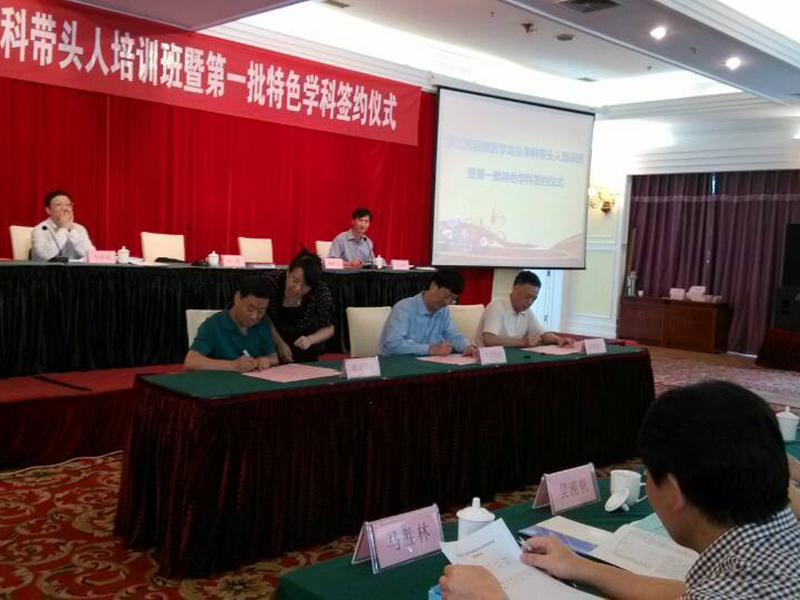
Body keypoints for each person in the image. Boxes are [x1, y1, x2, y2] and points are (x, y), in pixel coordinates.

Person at [440, 381, 800, 600]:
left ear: (675, 492)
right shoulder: (773, 537)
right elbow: (685, 593)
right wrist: (580, 568)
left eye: (649, 475)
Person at [184, 275, 278, 372]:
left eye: (261, 311)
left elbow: (274, 358)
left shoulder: (263, 322)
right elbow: (191, 362)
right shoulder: (213, 324)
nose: (254, 316)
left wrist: (266, 360)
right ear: (237, 298)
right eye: (250, 309)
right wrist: (234, 365)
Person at [379, 269, 477, 356]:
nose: (447, 302)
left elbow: (452, 335)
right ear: (433, 285)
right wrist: (430, 349)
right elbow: (393, 344)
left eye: (453, 299)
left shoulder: (443, 310)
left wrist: (467, 347)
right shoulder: (404, 308)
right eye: (446, 296)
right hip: (398, 363)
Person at [265, 249, 335, 363]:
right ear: (288, 271)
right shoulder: (271, 282)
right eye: (295, 280)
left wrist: (310, 339)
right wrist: (279, 343)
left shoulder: (320, 290)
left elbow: (330, 328)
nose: (297, 289)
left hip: (305, 349)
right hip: (272, 348)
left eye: (305, 286)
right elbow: (262, 317)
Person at [476, 271, 572, 348]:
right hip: (486, 360)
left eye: (534, 299)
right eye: (527, 297)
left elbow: (543, 334)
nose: (530, 302)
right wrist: (522, 342)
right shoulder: (497, 306)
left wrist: (559, 340)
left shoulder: (527, 312)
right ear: (515, 289)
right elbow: (489, 339)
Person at [31, 190, 96, 261]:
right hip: (48, 268)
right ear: (48, 210)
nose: (64, 208)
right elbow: (45, 256)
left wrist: (72, 230)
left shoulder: (79, 228)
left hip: (75, 267)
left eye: (68, 205)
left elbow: (91, 255)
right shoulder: (42, 229)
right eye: (58, 204)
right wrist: (64, 229)